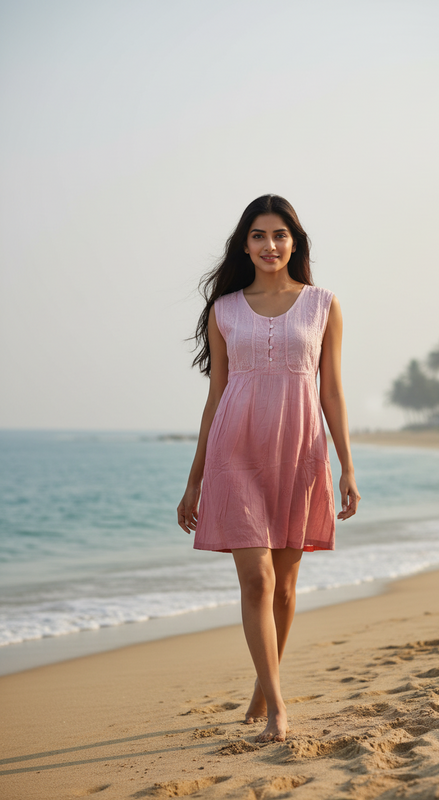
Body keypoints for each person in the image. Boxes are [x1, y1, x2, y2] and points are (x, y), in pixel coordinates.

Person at [177, 194, 360, 743]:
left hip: (300, 449)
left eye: (280, 235)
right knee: (256, 578)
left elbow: (332, 390)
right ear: (245, 244)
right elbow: (216, 397)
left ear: (295, 243)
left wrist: (347, 465)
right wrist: (194, 479)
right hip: (236, 449)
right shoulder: (225, 310)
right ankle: (278, 706)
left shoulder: (323, 304)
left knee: (284, 587)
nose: (270, 245)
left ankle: (262, 687)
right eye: (258, 235)